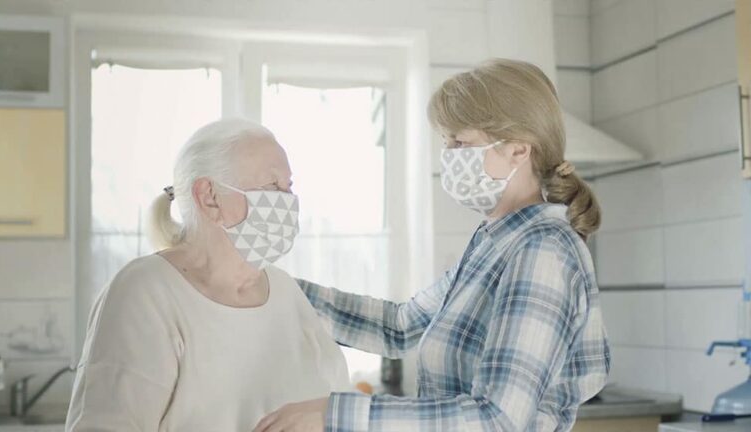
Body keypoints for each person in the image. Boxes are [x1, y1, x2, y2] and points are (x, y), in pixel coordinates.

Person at [254, 59, 611, 432]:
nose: (449, 157)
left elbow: (498, 419)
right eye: (447, 142)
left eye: (461, 143)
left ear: (519, 150)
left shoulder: (543, 252)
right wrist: (275, 289)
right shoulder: (493, 245)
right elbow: (400, 326)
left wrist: (334, 414)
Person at [66, 119, 351, 431]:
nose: (288, 202)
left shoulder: (285, 291)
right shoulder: (146, 293)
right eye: (272, 187)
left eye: (288, 187)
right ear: (209, 197)